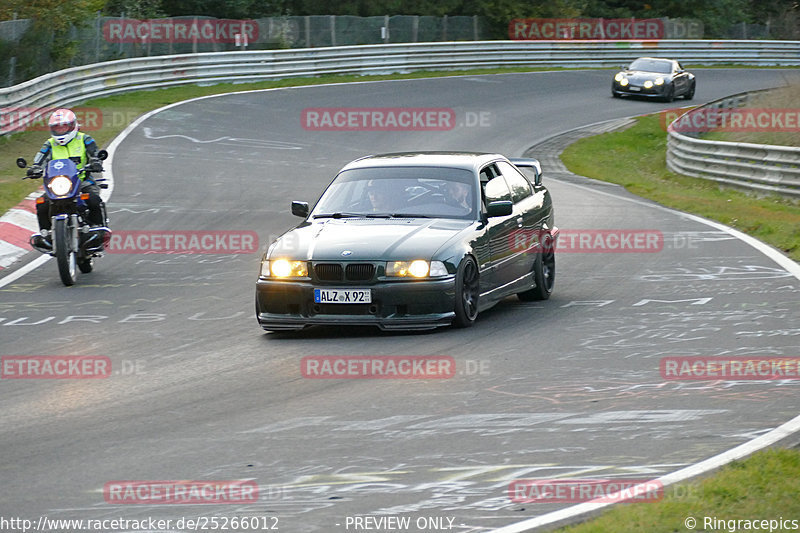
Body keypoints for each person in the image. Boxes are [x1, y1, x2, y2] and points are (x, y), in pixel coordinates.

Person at [29, 109, 106, 246]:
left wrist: (95, 161)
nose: (60, 131)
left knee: (94, 199)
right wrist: (34, 167)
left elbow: (94, 152)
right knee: (42, 204)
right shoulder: (50, 144)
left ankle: (98, 230)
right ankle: (46, 235)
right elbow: (40, 157)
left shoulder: (84, 139)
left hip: (82, 181)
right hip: (57, 184)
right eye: (57, 128)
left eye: (63, 126)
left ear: (72, 126)